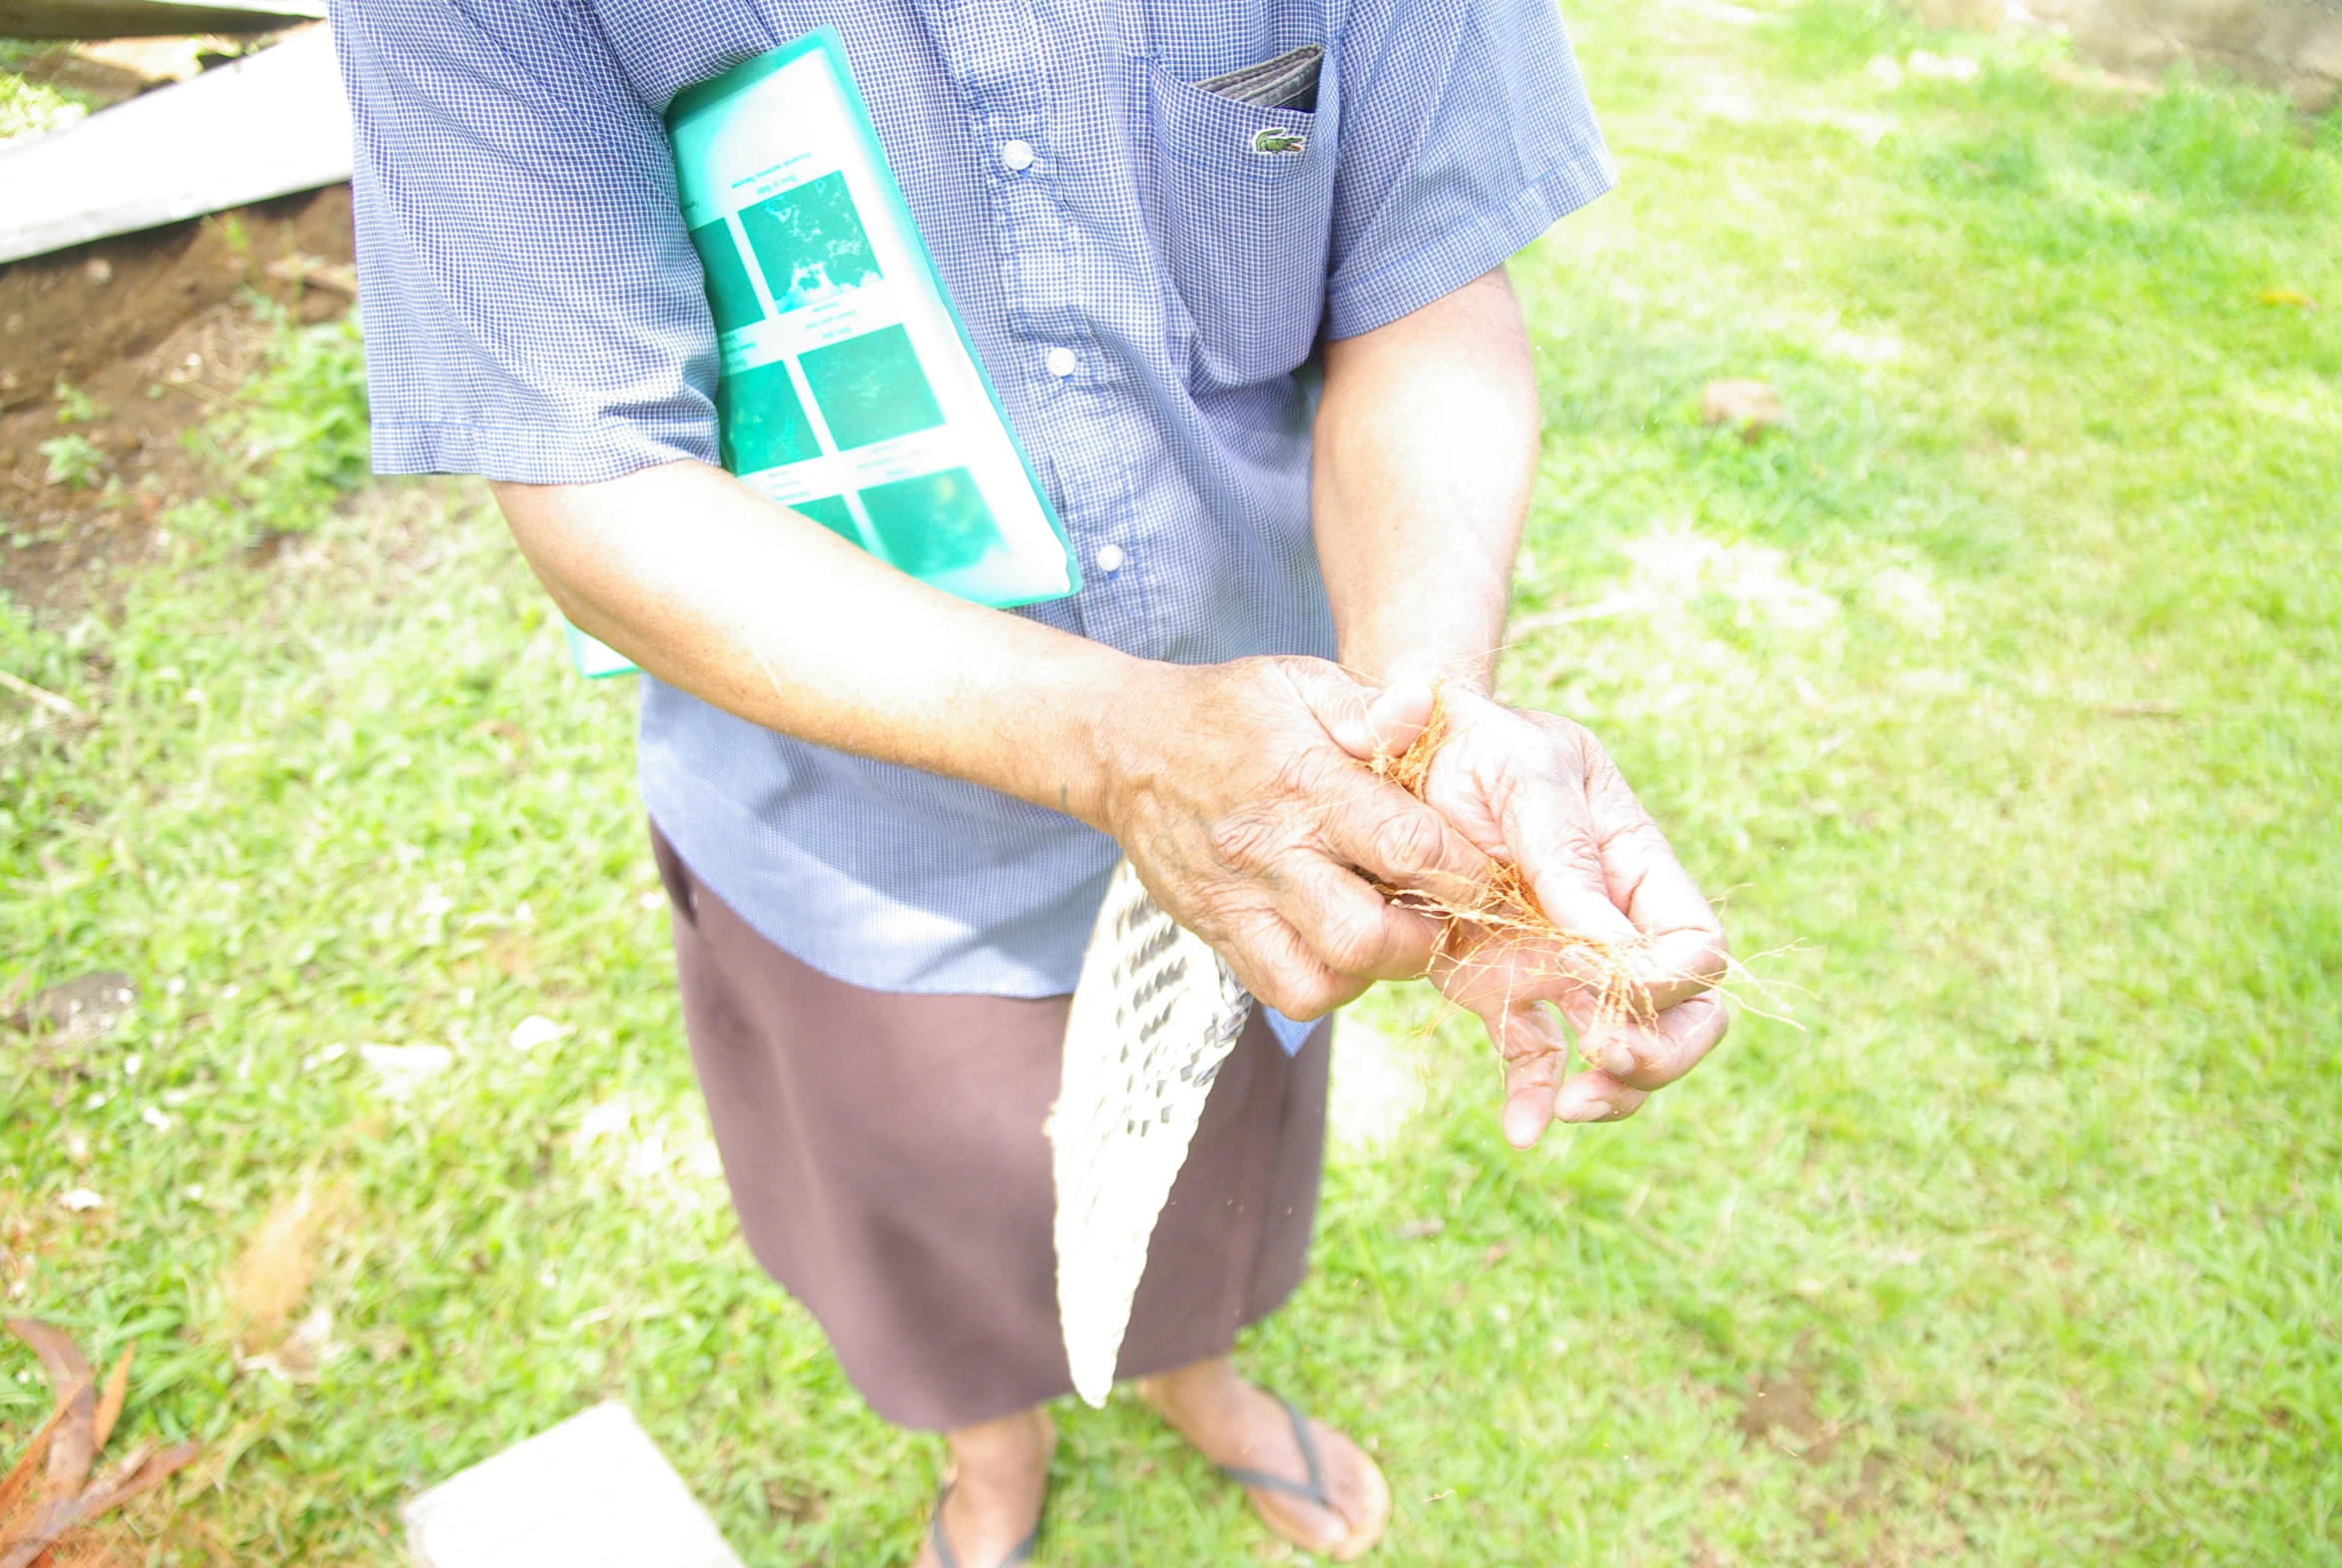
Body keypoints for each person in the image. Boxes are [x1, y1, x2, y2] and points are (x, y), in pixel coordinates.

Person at [334, 0, 1731, 1560]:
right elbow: (599, 483)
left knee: (1203, 1168)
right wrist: (1124, 747)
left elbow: (1422, 296)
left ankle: (1192, 1371)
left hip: (1276, 771)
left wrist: (1426, 732)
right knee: (915, 1209)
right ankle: (987, 1449)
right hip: (854, 814)